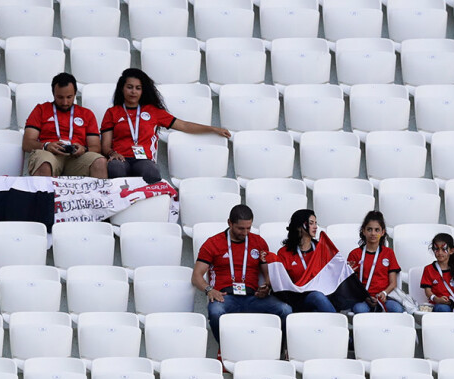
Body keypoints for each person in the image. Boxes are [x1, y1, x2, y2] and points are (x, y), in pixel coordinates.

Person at [101, 68, 231, 183]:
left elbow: (184, 125)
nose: (133, 91)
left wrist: (213, 128)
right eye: (129, 87)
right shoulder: (112, 113)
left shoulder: (153, 112)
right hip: (121, 158)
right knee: (115, 167)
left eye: (138, 88)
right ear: (122, 88)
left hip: (143, 159)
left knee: (150, 170)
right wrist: (112, 153)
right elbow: (105, 145)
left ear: (143, 91)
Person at [192, 204, 293, 342]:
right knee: (215, 312)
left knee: (285, 310)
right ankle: (226, 348)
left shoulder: (258, 242)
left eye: (248, 228)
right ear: (230, 223)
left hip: (253, 297)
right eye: (241, 228)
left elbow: (268, 273)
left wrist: (266, 286)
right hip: (225, 297)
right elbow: (196, 276)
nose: (245, 233)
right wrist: (209, 289)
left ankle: (279, 349)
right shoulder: (213, 243)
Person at [22, 73, 107, 178]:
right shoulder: (41, 110)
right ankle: (44, 195)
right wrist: (46, 145)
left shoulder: (86, 114)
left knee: (100, 162)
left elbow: (96, 146)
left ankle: (98, 195)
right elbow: (27, 143)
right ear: (53, 93)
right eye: (60, 97)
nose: (65, 102)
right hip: (49, 154)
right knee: (44, 163)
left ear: (75, 93)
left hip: (77, 158)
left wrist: (84, 149)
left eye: (69, 97)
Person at [275, 209, 337, 312]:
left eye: (316, 223)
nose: (315, 227)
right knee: (317, 297)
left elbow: (331, 275)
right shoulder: (284, 253)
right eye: (311, 223)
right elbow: (282, 283)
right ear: (299, 226)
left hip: (323, 296)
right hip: (297, 299)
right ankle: (337, 324)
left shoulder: (322, 249)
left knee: (316, 309)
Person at [347, 211, 404, 313]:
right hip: (363, 298)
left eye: (377, 230)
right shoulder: (355, 254)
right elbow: (352, 285)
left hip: (384, 297)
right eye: (369, 229)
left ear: (382, 232)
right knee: (359, 309)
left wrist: (384, 293)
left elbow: (393, 282)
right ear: (363, 231)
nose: (373, 233)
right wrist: (365, 297)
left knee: (397, 309)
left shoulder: (388, 253)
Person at [421, 233, 454, 312]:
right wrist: (437, 299)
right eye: (436, 249)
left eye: (443, 249)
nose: (440, 252)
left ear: (451, 251)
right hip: (437, 304)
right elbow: (427, 291)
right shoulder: (428, 269)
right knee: (443, 309)